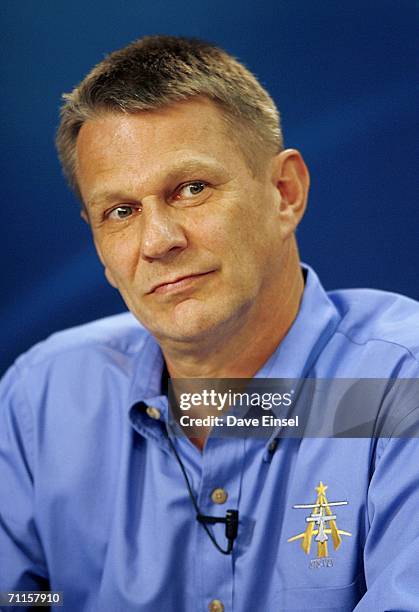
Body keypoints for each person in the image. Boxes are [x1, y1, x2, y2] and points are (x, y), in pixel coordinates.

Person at [1, 35, 418, 612]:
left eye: (191, 189)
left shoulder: (400, 389)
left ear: (284, 193)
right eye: (120, 212)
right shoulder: (39, 400)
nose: (158, 242)